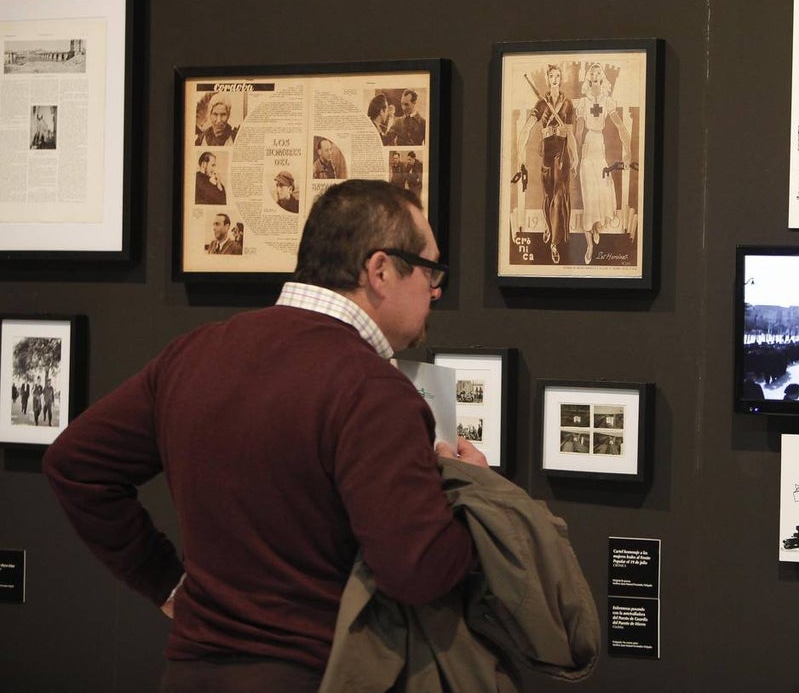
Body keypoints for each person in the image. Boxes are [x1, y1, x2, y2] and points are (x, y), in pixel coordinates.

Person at [43, 180, 488, 690]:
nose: (435, 289)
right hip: (319, 673)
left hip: (191, 675)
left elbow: (73, 463)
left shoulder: (195, 353)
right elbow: (418, 572)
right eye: (430, 269)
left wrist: (167, 583)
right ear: (381, 271)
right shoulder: (373, 389)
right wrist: (469, 501)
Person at [517, 64, 577, 265]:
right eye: (551, 76)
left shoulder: (567, 104)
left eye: (557, 76)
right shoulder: (541, 104)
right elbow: (526, 129)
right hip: (546, 156)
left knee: (559, 197)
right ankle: (550, 227)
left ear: (561, 79)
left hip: (562, 156)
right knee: (548, 196)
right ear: (547, 78)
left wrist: (574, 154)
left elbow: (570, 134)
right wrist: (520, 153)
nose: (554, 79)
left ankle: (554, 243)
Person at [575, 63, 630, 265]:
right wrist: (576, 155)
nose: (595, 73)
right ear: (589, 77)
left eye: (599, 71)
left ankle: (597, 226)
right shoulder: (582, 103)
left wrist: (629, 150)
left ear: (602, 76)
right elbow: (579, 131)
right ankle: (589, 244)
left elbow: (620, 126)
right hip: (588, 148)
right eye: (592, 71)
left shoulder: (608, 102)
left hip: (600, 147)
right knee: (589, 197)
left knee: (602, 190)